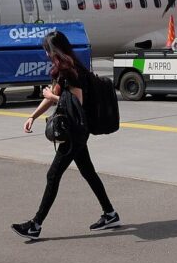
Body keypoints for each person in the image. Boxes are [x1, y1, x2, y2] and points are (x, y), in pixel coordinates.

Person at [11, 31, 119, 240]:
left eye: (46, 49)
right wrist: (32, 116)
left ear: (53, 50)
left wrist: (50, 94)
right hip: (76, 129)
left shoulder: (71, 71)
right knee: (88, 172)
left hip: (75, 131)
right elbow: (56, 98)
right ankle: (110, 214)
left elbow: (75, 101)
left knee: (53, 175)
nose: (45, 53)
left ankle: (35, 225)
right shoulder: (65, 70)